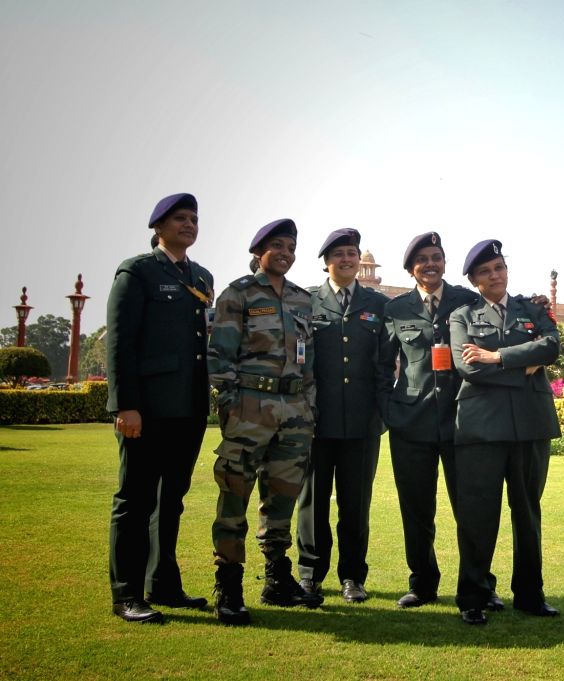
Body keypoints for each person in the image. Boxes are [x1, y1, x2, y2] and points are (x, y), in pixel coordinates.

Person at [380, 232, 505, 610]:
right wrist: (391, 411)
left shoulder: (466, 301)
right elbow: (381, 366)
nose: (430, 264)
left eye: (437, 257)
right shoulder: (396, 309)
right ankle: (422, 583)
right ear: (411, 269)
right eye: (422, 260)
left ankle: (480, 583)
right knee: (416, 510)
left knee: (471, 509)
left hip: (461, 421)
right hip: (411, 423)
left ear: (446, 263)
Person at [207, 218, 322, 625]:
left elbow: (309, 361)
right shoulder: (238, 293)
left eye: (291, 246)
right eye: (277, 245)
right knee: (235, 492)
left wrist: (307, 407)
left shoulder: (301, 299)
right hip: (250, 408)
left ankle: (276, 578)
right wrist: (231, 406)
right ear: (259, 252)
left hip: (294, 411)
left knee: (283, 495)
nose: (286, 252)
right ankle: (229, 585)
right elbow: (219, 357)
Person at [106, 192, 214, 623]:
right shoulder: (138, 272)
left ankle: (163, 584)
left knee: (172, 500)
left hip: (188, 409)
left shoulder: (202, 276)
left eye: (194, 219)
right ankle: (126, 593)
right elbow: (120, 344)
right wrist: (126, 405)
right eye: (180, 219)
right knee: (134, 500)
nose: (189, 225)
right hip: (146, 410)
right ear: (158, 227)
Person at [448, 239, 561, 625]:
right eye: (485, 271)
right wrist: (524, 364)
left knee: (528, 513)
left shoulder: (531, 309)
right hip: (482, 428)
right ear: (475, 281)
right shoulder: (462, 316)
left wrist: (497, 356)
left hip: (530, 425)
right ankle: (473, 596)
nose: (494, 275)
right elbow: (468, 369)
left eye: (498, 267)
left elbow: (551, 346)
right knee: (478, 514)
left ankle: (530, 594)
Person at [296, 228, 390, 603]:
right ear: (327, 262)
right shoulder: (306, 302)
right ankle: (310, 574)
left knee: (356, 503)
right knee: (313, 502)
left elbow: (385, 363)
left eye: (352, 253)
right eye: (340, 254)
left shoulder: (377, 304)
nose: (348, 259)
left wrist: (382, 410)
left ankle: (353, 576)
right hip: (317, 420)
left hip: (362, 422)